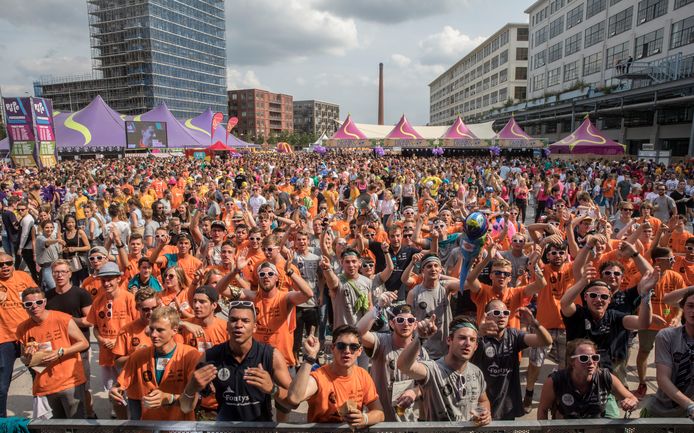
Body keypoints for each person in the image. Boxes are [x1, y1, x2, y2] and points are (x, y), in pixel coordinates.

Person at [179, 300, 294, 421]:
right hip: (225, 428)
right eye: (233, 320)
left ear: (255, 327)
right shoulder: (211, 356)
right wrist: (192, 386)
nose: (239, 325)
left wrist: (272, 389)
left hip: (260, 428)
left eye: (245, 321)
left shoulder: (270, 355)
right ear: (227, 326)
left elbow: (293, 402)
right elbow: (185, 407)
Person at [397, 315, 491, 424]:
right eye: (462, 338)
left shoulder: (476, 372)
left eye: (472, 340)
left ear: (476, 346)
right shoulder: (433, 369)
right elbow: (404, 366)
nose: (467, 343)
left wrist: (484, 413)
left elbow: (483, 400)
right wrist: (420, 338)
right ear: (449, 340)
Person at [110, 306, 200, 420]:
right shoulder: (138, 357)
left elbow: (192, 401)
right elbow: (119, 385)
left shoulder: (190, 355)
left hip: (179, 425)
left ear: (174, 330)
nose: (153, 335)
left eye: (160, 330)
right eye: (151, 329)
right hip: (149, 425)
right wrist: (114, 392)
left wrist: (169, 398)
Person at [287, 324, 385, 428]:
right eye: (341, 346)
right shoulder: (320, 376)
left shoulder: (363, 375)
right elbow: (294, 398)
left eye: (353, 347)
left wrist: (364, 418)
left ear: (359, 351)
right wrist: (310, 357)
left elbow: (379, 413)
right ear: (333, 348)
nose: (347, 351)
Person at [17, 286, 90, 419]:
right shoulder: (22, 328)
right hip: (45, 386)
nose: (34, 307)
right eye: (29, 304)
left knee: (77, 425)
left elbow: (84, 343)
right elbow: (24, 359)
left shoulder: (61, 318)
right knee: (56, 427)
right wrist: (27, 356)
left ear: (44, 302)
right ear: (24, 306)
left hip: (69, 383)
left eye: (38, 302)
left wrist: (61, 351)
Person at [472, 300, 552, 420]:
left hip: (507, 406)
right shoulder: (476, 338)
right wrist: (478, 334)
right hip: (481, 403)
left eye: (505, 312)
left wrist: (534, 323)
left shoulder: (513, 336)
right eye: (497, 312)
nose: (502, 315)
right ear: (487, 316)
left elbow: (546, 341)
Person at [356, 298, 428, 421]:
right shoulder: (381, 341)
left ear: (415, 325)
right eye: (400, 320)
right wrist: (378, 307)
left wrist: (414, 393)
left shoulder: (421, 351)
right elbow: (358, 333)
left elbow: (427, 384)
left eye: (410, 320)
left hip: (408, 421)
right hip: (379, 418)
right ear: (391, 324)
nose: (406, 324)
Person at [85, 261, 138, 419]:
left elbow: (138, 325)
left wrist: (118, 341)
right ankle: (121, 420)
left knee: (131, 389)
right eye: (103, 280)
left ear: (119, 279)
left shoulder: (129, 298)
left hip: (126, 355)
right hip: (106, 355)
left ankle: (135, 420)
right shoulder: (98, 301)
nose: (106, 283)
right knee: (112, 389)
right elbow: (94, 326)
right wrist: (100, 339)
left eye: (110, 279)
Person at [537, 339, 639, 419]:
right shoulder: (556, 381)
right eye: (584, 358)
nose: (591, 362)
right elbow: (543, 410)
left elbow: (632, 398)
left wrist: (631, 403)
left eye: (594, 358)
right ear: (572, 361)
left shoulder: (605, 377)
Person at [45, 260, 95, 418]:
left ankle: (89, 415)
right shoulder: (47, 296)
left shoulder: (81, 294)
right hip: (57, 351)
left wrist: (66, 320)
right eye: (56, 272)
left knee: (83, 387)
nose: (59, 275)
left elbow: (89, 320)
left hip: (80, 349)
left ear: (70, 274)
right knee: (60, 388)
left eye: (63, 272)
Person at [642, 288, 694, 419]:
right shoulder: (667, 336)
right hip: (662, 410)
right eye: (690, 306)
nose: (693, 311)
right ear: (682, 307)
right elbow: (663, 378)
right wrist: (690, 405)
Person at [0, 252, 35, 417]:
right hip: (4, 339)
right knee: (2, 385)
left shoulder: (23, 276)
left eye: (8, 262)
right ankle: (1, 421)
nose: (5, 266)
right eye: (0, 265)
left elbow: (37, 298)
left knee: (39, 376)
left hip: (28, 336)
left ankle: (44, 416)